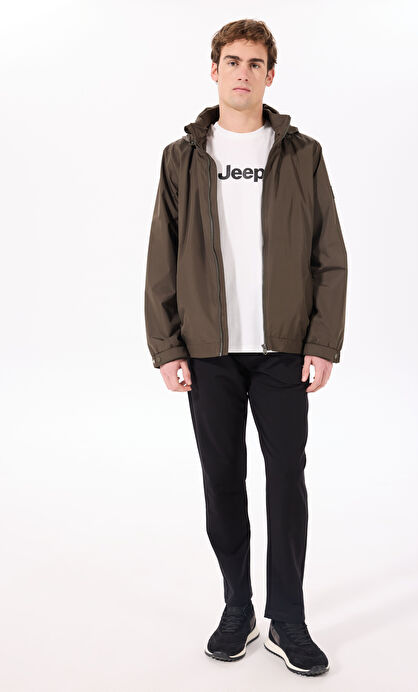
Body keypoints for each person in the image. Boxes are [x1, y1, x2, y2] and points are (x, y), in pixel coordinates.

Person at [144, 18, 348, 677]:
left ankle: (287, 619)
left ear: (269, 75)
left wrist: (322, 341)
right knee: (222, 480)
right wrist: (167, 346)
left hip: (283, 349)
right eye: (231, 61)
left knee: (286, 481)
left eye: (254, 63)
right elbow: (161, 256)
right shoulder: (181, 158)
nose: (242, 73)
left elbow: (329, 254)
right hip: (208, 351)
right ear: (214, 71)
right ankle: (238, 608)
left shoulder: (301, 154)